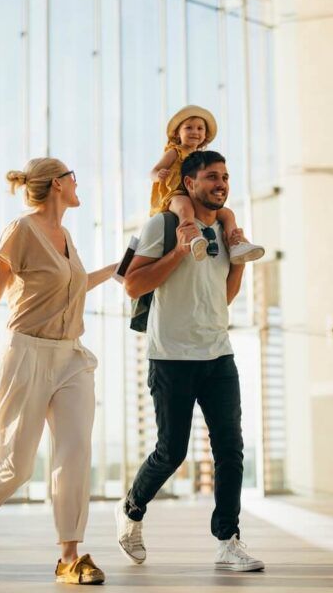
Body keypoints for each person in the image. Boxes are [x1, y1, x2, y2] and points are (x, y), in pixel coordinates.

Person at [0, 157, 116, 585]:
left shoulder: (67, 236)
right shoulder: (22, 231)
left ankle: (70, 556)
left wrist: (117, 268)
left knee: (75, 452)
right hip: (27, 353)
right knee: (17, 464)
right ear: (58, 184)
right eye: (74, 177)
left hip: (71, 357)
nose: (79, 184)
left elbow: (72, 287)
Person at [116, 150, 265, 572]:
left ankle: (227, 540)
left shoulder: (225, 229)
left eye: (226, 177)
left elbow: (223, 296)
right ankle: (130, 509)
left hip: (218, 354)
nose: (221, 184)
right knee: (171, 451)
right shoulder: (163, 225)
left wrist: (238, 263)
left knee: (230, 449)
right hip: (171, 357)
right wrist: (180, 252)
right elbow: (132, 285)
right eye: (212, 177)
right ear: (190, 183)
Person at [150, 105, 264, 264]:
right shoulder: (175, 152)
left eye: (199, 128)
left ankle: (236, 243)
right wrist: (159, 176)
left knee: (228, 214)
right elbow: (154, 170)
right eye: (188, 128)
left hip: (196, 196)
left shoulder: (202, 158)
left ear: (205, 134)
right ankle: (192, 237)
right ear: (177, 133)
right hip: (176, 194)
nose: (195, 132)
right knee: (185, 207)